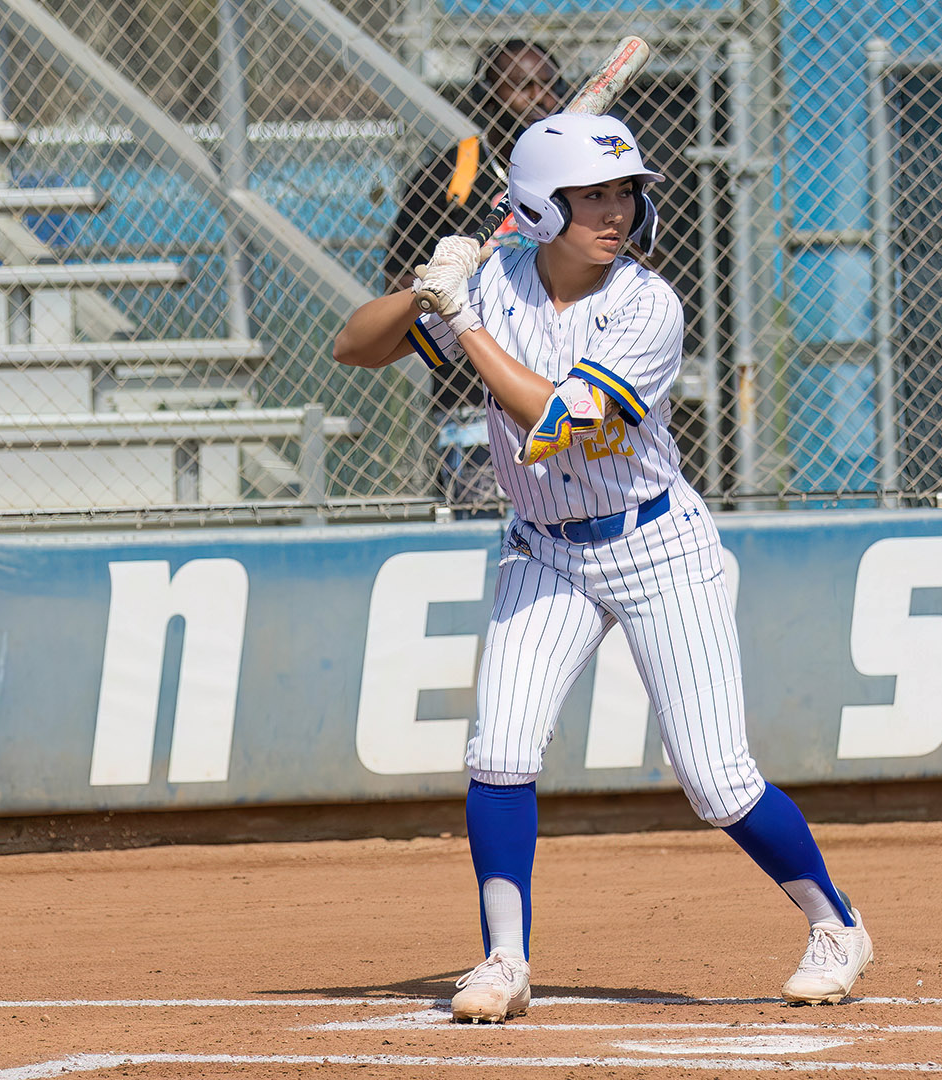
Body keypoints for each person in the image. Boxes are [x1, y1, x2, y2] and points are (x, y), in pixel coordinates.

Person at [334, 113, 874, 1022]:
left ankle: (837, 924)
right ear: (541, 208)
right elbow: (357, 345)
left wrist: (462, 321)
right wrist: (427, 290)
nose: (615, 212)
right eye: (591, 197)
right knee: (499, 751)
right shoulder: (495, 283)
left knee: (716, 780)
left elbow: (554, 427)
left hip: (656, 545)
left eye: (624, 193)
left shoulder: (646, 305)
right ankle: (503, 960)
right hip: (545, 549)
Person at [383, 39, 563, 515]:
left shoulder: (576, 181)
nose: (540, 98)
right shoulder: (448, 177)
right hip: (472, 403)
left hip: (565, 392)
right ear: (487, 99)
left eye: (549, 86)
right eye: (522, 86)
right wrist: (449, 280)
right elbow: (397, 280)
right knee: (485, 535)